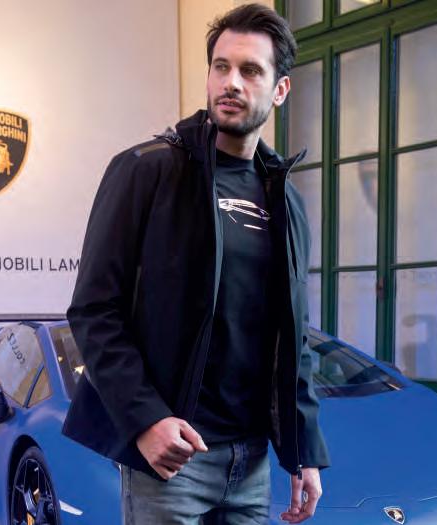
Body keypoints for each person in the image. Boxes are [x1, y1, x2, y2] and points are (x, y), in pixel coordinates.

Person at [63, 3, 330, 524]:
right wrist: (146, 420)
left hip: (252, 462)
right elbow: (94, 310)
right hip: (172, 462)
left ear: (280, 90)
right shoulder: (146, 170)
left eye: (251, 70)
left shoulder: (285, 201)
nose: (231, 82)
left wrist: (303, 450)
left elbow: (292, 338)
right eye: (221, 67)